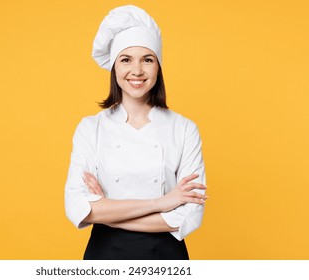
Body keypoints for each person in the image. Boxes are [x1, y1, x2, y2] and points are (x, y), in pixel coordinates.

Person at [65, 5, 207, 260]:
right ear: (115, 67)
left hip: (166, 257)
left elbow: (188, 216)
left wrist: (107, 210)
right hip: (105, 256)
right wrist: (161, 203)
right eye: (126, 59)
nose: (137, 71)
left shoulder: (184, 128)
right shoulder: (91, 128)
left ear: (158, 67)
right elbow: (78, 208)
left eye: (147, 59)